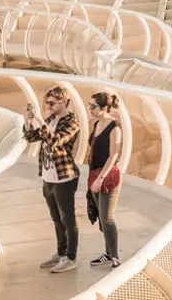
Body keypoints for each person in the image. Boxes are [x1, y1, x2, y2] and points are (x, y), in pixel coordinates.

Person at [23, 85, 83, 273]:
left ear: (63, 102)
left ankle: (71, 257)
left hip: (64, 177)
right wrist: (28, 121)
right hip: (48, 178)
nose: (47, 106)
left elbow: (55, 141)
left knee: (68, 219)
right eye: (45, 103)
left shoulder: (72, 122)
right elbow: (32, 137)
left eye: (51, 103)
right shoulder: (50, 119)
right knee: (56, 218)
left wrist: (41, 121)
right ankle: (61, 252)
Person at [85, 92, 123, 268]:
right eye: (90, 105)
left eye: (93, 106)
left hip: (108, 178)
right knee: (101, 217)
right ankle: (108, 253)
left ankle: (115, 256)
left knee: (107, 217)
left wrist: (100, 179)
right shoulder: (97, 123)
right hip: (94, 175)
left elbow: (113, 155)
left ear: (104, 108)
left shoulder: (114, 127)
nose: (90, 109)